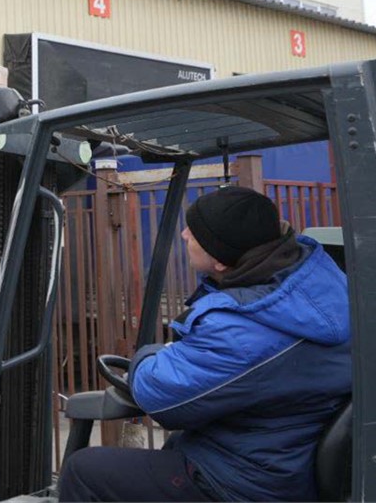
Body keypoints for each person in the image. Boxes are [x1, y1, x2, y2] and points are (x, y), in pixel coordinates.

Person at [58, 186, 352, 502]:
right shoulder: (320, 282)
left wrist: (148, 355)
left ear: (222, 260)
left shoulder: (242, 331)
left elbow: (161, 396)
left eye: (194, 232)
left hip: (243, 482)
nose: (184, 235)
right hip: (282, 456)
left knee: (84, 469)